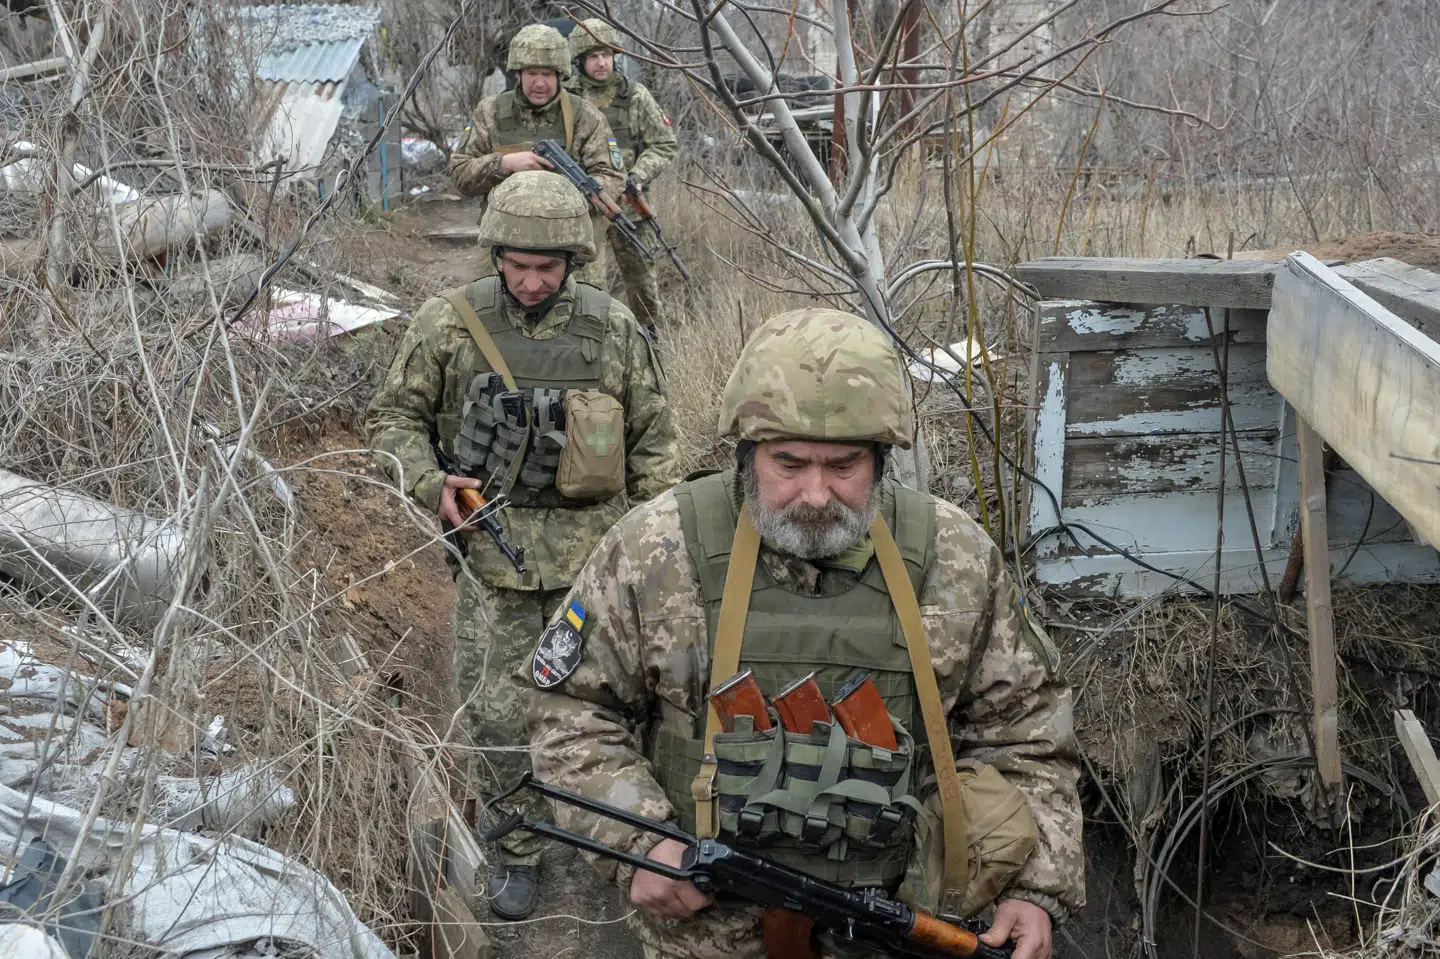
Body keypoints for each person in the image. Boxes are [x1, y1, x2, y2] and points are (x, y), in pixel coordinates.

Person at [522, 309, 1084, 959]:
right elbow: (568, 706)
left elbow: (1027, 728)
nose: (816, 494)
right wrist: (640, 842)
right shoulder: (657, 548)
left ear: (881, 459)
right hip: (706, 935)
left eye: (843, 465)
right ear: (746, 452)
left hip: (906, 927)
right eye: (788, 463)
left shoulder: (954, 557)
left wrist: (1033, 887)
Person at [365, 170, 681, 921]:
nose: (533, 281)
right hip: (491, 555)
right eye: (519, 265)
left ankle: (628, 842)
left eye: (548, 267)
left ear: (574, 260)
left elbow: (655, 445)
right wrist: (429, 481)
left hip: (597, 562)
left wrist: (655, 552)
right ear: (496, 254)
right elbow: (393, 418)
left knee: (613, 708)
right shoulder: (448, 324)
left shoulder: (613, 330)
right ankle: (516, 843)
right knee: (498, 714)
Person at [450, 23, 625, 284]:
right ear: (518, 73)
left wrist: (565, 197)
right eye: (532, 73)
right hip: (507, 249)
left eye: (548, 74)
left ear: (560, 75)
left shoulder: (585, 116)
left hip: (571, 250)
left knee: (584, 308)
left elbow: (612, 176)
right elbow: (460, 173)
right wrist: (504, 163)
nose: (540, 83)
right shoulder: (490, 112)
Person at [566, 18, 679, 334]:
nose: (601, 62)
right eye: (593, 56)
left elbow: (664, 144)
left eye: (606, 54)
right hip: (586, 208)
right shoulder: (567, 98)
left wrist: (639, 174)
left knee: (643, 284)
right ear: (580, 61)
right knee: (588, 286)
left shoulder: (635, 96)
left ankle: (650, 342)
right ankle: (592, 343)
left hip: (629, 206)